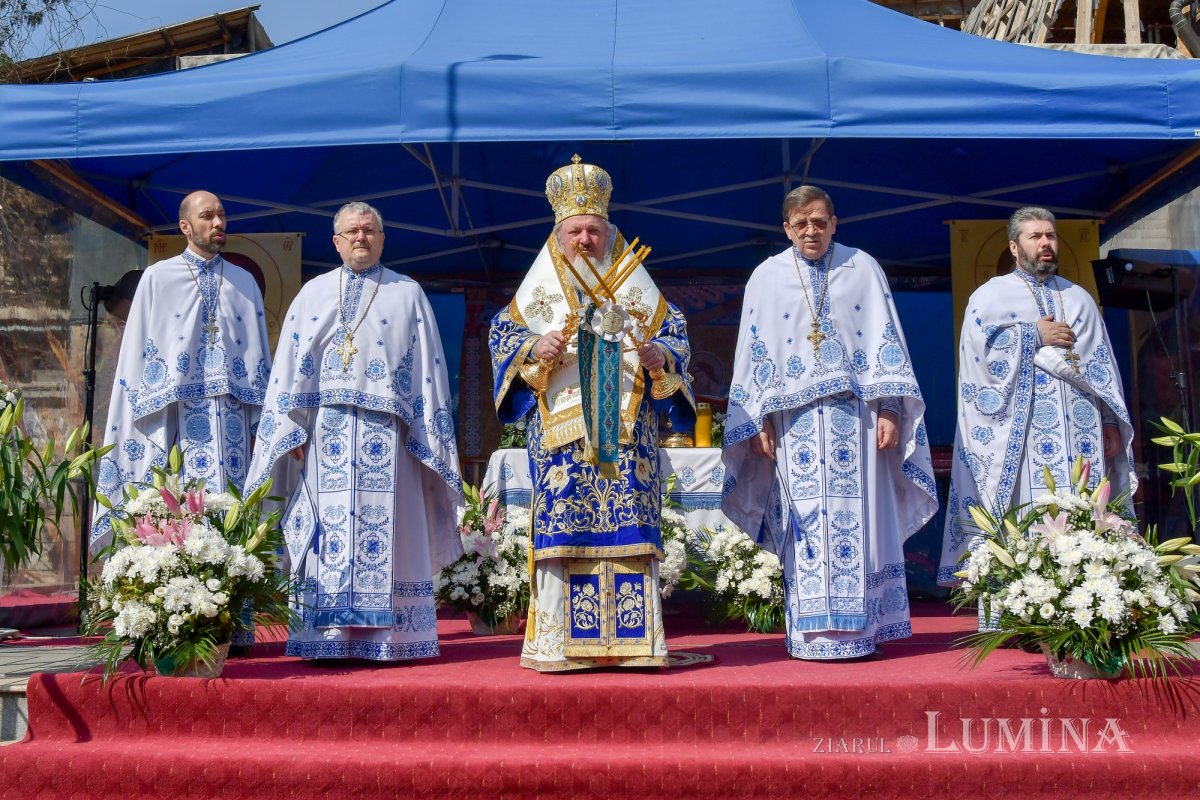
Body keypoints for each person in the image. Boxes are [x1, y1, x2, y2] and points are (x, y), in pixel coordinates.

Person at [489, 155, 696, 672]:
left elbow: (675, 338)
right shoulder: (534, 295)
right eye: (575, 230)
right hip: (563, 435)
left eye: (593, 230)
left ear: (609, 233)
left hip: (628, 434)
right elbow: (502, 337)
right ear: (558, 236)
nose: (585, 240)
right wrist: (535, 347)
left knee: (629, 524)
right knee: (566, 529)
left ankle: (636, 644)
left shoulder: (635, 287)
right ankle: (560, 645)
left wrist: (659, 356)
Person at [722, 185, 937, 661]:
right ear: (786, 229)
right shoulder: (766, 276)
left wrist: (889, 409)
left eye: (819, 222)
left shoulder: (863, 267)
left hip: (857, 422)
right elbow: (753, 358)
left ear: (834, 222)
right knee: (806, 524)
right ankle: (810, 633)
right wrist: (757, 421)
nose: (811, 231)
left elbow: (886, 342)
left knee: (860, 520)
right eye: (801, 224)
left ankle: (864, 629)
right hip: (793, 425)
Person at [245, 201, 463, 662]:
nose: (361, 237)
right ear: (336, 241)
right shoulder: (313, 294)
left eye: (369, 230)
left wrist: (424, 436)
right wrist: (293, 430)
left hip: (391, 438)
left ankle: (392, 639)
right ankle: (326, 638)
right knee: (326, 531)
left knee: (390, 529)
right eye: (352, 231)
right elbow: (289, 368)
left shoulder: (408, 293)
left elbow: (429, 376)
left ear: (383, 239)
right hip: (327, 434)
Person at [938, 207, 1136, 593]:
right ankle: (1018, 609)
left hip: (1080, 437)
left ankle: (1081, 607)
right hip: (1021, 439)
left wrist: (1110, 421)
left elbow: (1102, 368)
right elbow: (979, 357)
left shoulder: (1078, 298)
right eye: (1035, 237)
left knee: (1080, 514)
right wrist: (1032, 335)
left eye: (1050, 235)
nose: (1045, 243)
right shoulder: (990, 296)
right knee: (1024, 518)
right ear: (1014, 246)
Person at [92, 190, 271, 550]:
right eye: (207, 216)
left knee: (234, 524)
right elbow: (138, 357)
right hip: (176, 421)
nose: (218, 223)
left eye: (222, 215)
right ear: (185, 226)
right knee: (181, 523)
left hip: (233, 419)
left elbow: (260, 364)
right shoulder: (158, 279)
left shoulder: (245, 283)